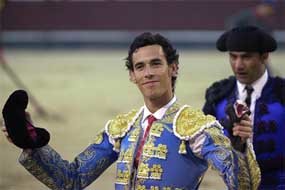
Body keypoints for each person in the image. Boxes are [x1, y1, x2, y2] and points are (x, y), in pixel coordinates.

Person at [2, 32, 260, 190]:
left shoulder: (197, 127)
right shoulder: (122, 127)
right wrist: (32, 144)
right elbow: (71, 180)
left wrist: (239, 149)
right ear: (132, 75)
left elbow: (244, 186)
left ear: (174, 68)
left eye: (156, 64)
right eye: (140, 67)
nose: (147, 73)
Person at [203, 26, 285, 189]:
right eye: (233, 57)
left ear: (264, 57)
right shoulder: (218, 95)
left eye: (246, 57)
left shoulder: (281, 94)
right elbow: (205, 145)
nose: (238, 65)